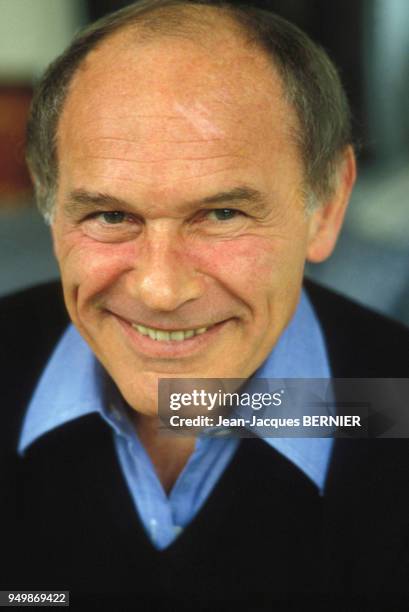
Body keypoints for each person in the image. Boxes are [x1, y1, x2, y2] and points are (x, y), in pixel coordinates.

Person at [0, 1, 408, 608]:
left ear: (325, 205)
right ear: (50, 207)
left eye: (222, 214)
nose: (161, 291)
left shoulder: (393, 403)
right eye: (110, 215)